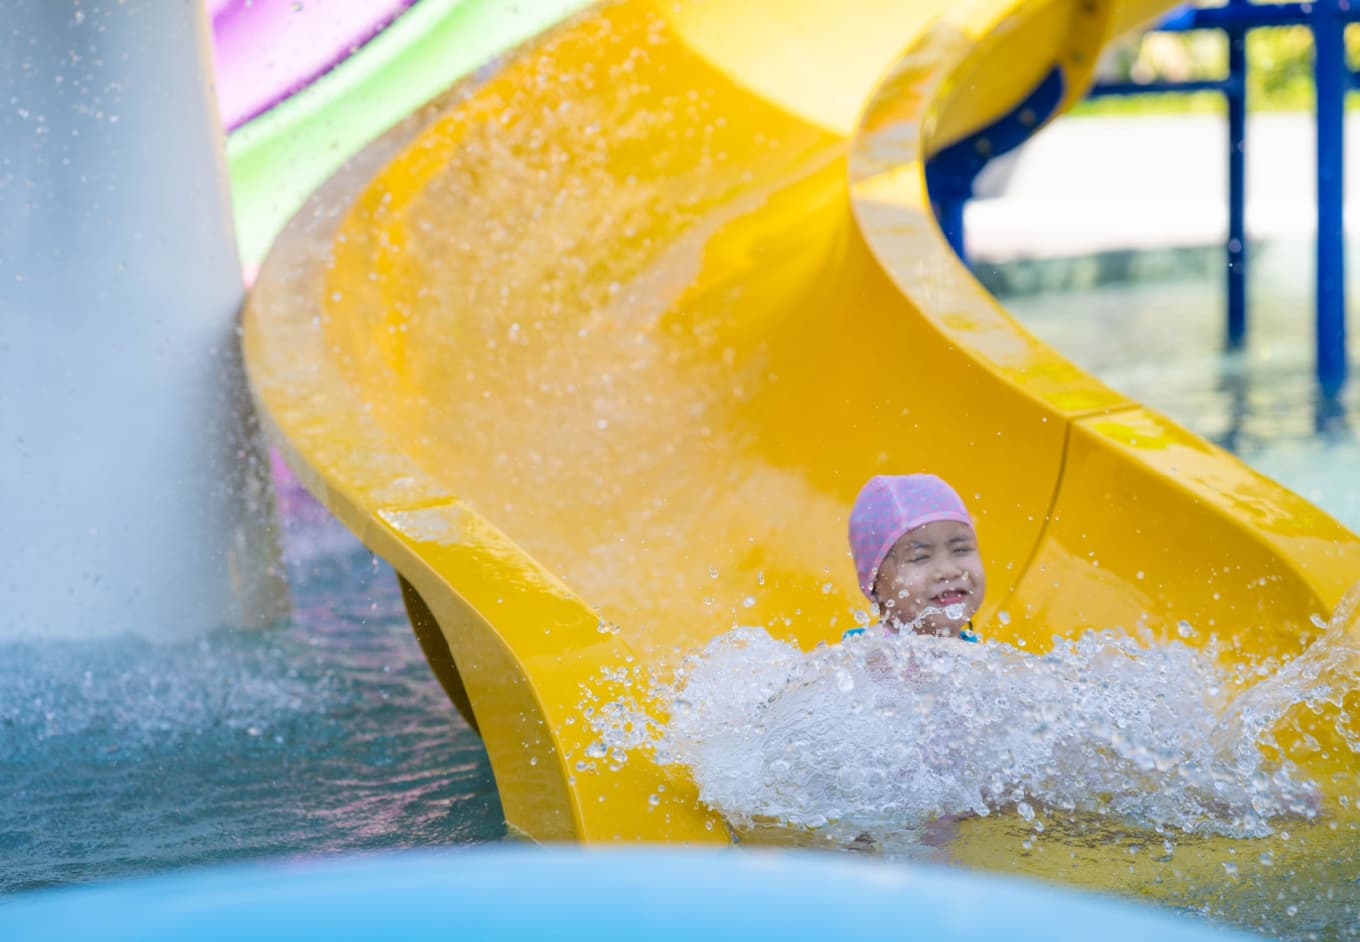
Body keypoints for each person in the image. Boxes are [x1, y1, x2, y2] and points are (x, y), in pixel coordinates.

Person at [844, 473, 985, 642]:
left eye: (960, 550)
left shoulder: (982, 657)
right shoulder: (868, 654)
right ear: (875, 586)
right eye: (920, 557)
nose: (948, 571)